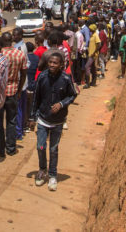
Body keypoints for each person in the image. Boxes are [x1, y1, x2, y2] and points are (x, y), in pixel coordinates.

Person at [33, 52, 77, 192]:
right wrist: (31, 117)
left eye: (55, 63)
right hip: (43, 117)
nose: (52, 65)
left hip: (58, 121)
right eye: (50, 62)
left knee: (53, 149)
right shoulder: (42, 77)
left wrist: (62, 104)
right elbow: (36, 97)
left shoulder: (65, 78)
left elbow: (73, 94)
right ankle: (42, 170)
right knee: (40, 146)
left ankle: (52, 175)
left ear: (61, 65)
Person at [0, 32, 28, 157]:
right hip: (13, 91)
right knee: (11, 120)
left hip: (0, 93)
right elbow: (24, 74)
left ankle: (0, 150)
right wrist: (20, 90)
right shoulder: (19, 54)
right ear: (11, 41)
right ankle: (11, 148)